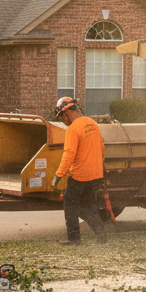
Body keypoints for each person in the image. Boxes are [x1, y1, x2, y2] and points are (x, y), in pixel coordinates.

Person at [50, 96, 108, 245]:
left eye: (62, 116)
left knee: (70, 206)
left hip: (79, 176)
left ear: (68, 111)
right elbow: (102, 148)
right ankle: (102, 235)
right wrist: (99, 167)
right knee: (88, 206)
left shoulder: (73, 129)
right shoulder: (93, 124)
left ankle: (74, 239)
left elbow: (69, 154)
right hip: (95, 175)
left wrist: (58, 176)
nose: (63, 120)